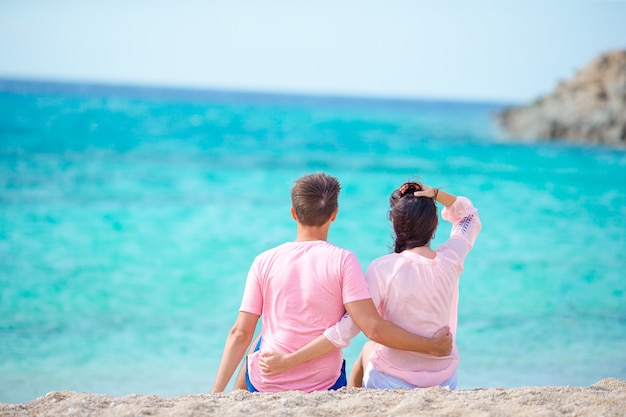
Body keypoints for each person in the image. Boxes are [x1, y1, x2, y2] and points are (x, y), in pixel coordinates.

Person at [211, 173, 453, 393]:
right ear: (334, 214)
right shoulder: (343, 260)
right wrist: (431, 346)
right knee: (259, 340)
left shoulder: (263, 261)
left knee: (256, 341)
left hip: (267, 381)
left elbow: (239, 333)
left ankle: (231, 396)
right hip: (325, 383)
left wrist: (215, 393)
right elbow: (372, 327)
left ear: (293, 213)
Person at [259, 181, 481, 390]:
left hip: (394, 380)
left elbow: (351, 327)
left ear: (395, 224)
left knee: (368, 351)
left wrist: (290, 360)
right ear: (433, 224)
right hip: (445, 378)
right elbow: (468, 216)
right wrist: (435, 193)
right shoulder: (452, 258)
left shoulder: (383, 268)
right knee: (368, 349)